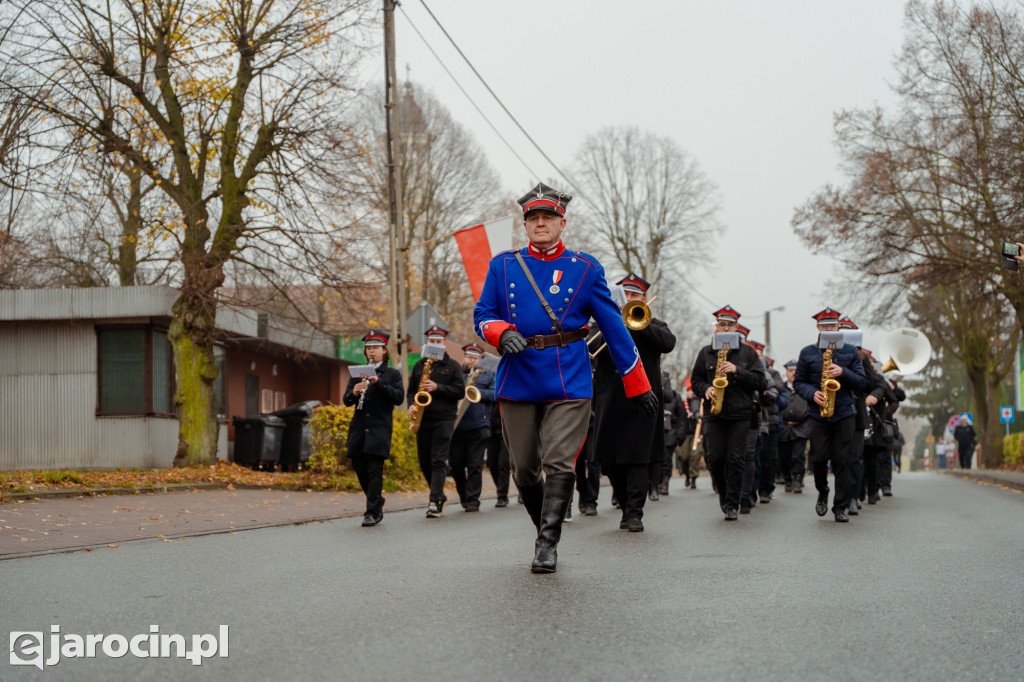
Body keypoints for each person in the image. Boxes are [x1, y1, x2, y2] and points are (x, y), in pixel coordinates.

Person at [474, 182, 657, 573]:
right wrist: (501, 332)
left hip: (568, 377)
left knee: (560, 462)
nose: (540, 224)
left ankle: (547, 545)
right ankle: (546, 525)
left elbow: (614, 329)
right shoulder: (502, 266)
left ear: (562, 223)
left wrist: (637, 383)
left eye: (548, 218)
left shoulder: (586, 269)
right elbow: (483, 316)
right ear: (525, 225)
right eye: (533, 218)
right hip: (518, 376)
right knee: (523, 468)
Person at [593, 274, 676, 531]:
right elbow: (590, 349)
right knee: (609, 460)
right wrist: (614, 324)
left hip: (643, 399)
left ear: (644, 299)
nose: (629, 300)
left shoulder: (653, 322)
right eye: (625, 295)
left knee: (638, 457)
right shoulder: (603, 323)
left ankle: (634, 513)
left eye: (634, 296)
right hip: (610, 399)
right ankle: (625, 502)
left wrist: (641, 324)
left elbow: (668, 343)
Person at [689, 305, 767, 520]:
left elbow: (761, 382)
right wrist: (706, 389)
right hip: (714, 412)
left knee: (736, 458)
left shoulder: (748, 352)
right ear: (717, 327)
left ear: (736, 327)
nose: (725, 328)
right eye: (721, 324)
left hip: (740, 414)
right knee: (715, 458)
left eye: (729, 325)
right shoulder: (706, 352)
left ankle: (733, 503)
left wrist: (737, 371)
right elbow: (696, 381)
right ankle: (723, 494)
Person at [794, 308, 866, 522]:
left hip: (844, 413)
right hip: (818, 414)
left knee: (842, 461)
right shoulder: (807, 352)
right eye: (824, 326)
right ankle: (823, 490)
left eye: (832, 326)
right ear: (818, 328)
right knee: (818, 459)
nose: (828, 329)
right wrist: (812, 393)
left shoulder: (851, 352)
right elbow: (798, 382)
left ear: (838, 327)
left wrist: (843, 372)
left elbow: (862, 383)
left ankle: (840, 506)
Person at [342, 330, 406, 527]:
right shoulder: (358, 373)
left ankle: (372, 512)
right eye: (369, 348)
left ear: (384, 350)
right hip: (359, 428)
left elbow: (398, 398)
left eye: (375, 348)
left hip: (379, 429)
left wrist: (378, 383)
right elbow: (346, 401)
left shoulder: (392, 374)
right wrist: (353, 391)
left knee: (374, 470)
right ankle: (376, 500)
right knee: (360, 468)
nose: (371, 351)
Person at [407, 325, 465, 518]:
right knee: (424, 462)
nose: (435, 344)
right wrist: (411, 406)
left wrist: (437, 387)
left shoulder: (453, 366)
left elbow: (460, 391)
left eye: (438, 342)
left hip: (444, 418)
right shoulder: (418, 365)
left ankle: (434, 501)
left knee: (438, 459)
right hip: (423, 418)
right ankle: (439, 495)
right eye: (432, 341)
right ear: (427, 343)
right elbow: (410, 392)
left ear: (444, 343)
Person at [449, 343, 495, 512]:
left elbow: (495, 394)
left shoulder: (489, 374)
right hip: (457, 425)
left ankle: (473, 499)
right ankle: (464, 496)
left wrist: (476, 392)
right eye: (469, 357)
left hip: (479, 425)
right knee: (456, 464)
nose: (471, 360)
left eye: (475, 358)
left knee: (474, 464)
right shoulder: (457, 374)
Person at [778, 360, 811, 493]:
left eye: (795, 371)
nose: (793, 373)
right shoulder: (781, 387)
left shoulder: (805, 388)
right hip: (785, 427)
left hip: (800, 426)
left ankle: (798, 479)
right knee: (784, 456)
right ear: (786, 372)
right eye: (791, 371)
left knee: (798, 455)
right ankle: (787, 479)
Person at [659, 371, 687, 496]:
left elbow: (682, 418)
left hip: (671, 432)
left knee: (666, 459)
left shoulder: (676, 397)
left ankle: (665, 482)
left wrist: (680, 435)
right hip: (657, 431)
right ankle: (655, 483)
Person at [676, 381, 702, 489]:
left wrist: (703, 433)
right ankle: (686, 474)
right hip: (685, 435)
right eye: (689, 391)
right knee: (683, 456)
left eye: (693, 391)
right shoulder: (682, 404)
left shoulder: (700, 404)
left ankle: (693, 478)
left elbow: (703, 419)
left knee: (695, 455)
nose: (691, 392)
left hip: (696, 434)